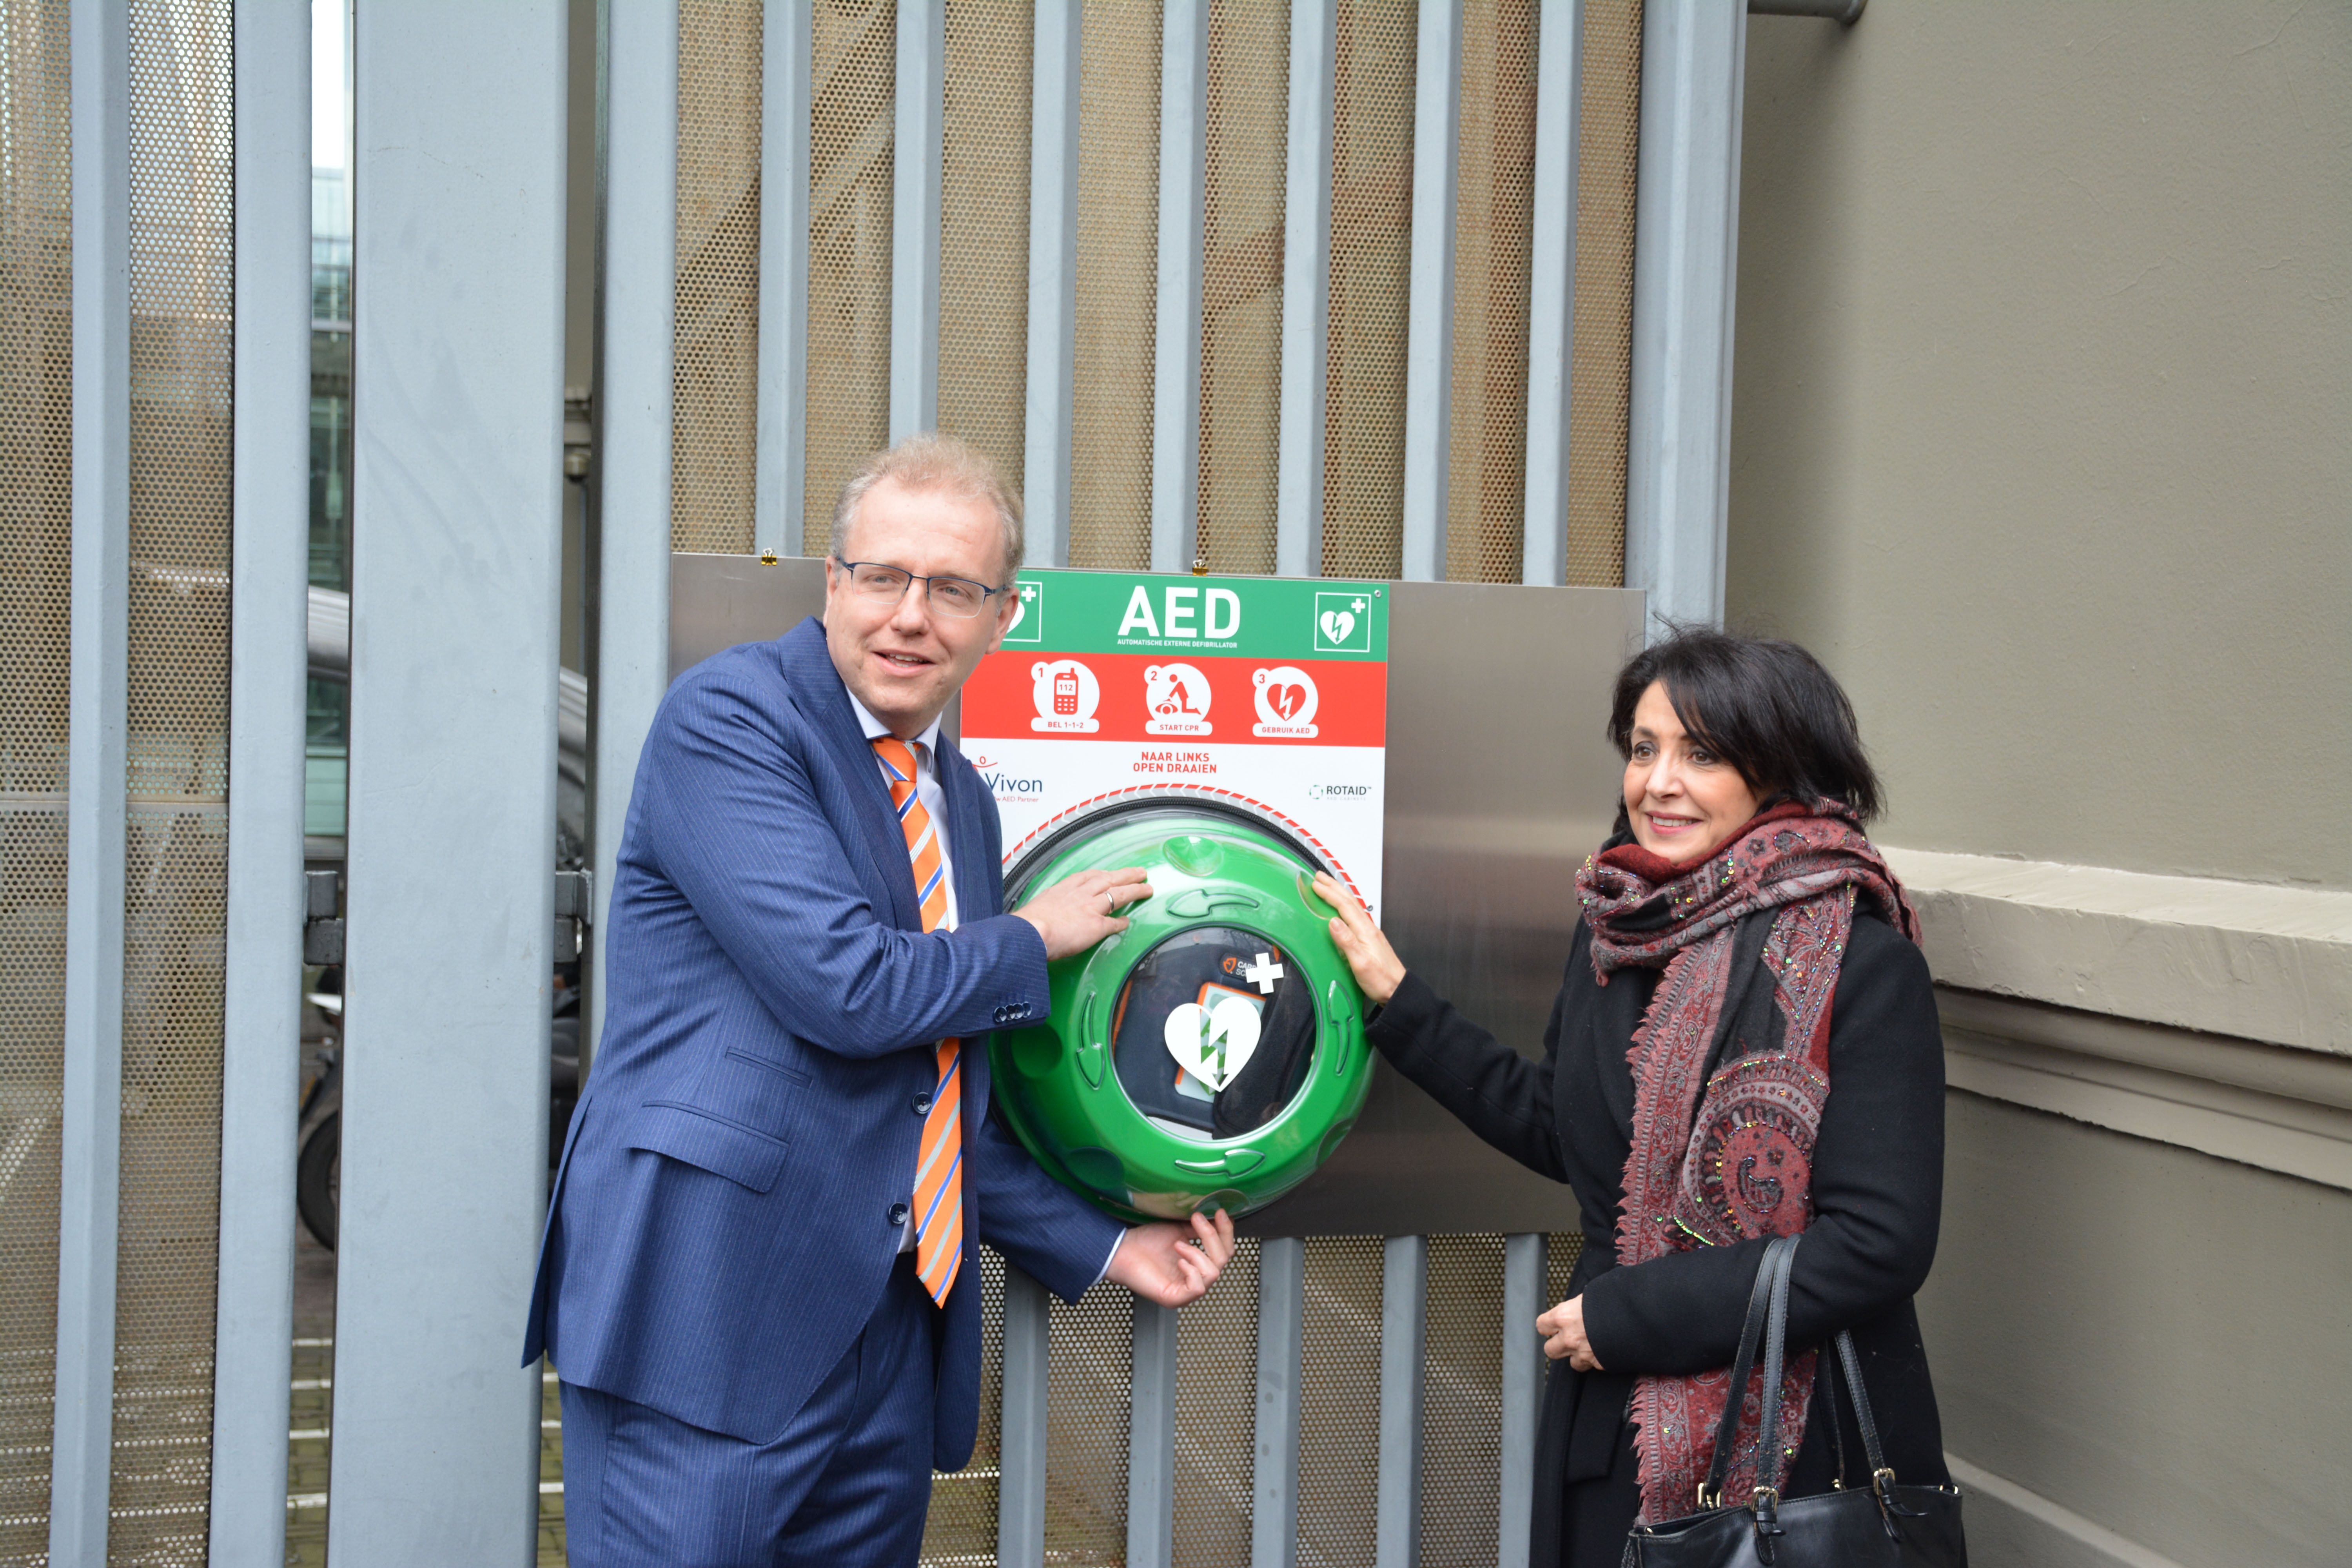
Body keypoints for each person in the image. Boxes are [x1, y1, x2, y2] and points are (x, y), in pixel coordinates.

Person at [523, 434, 1236, 1566]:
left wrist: (1106, 1248)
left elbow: (932, 1095)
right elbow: (846, 990)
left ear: (1004, 615)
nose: (911, 616)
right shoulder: (732, 722)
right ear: (832, 582)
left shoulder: (964, 801)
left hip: (891, 1340)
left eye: (953, 588)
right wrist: (1030, 941)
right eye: (883, 577)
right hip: (707, 1323)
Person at [1314, 628, 1952, 1567]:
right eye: (1644, 747)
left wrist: (1629, 1314)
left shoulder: (1861, 964)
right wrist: (1404, 1007)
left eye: (1703, 753)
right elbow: (1566, 1133)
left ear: (1783, 772)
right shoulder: (1620, 932)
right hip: (1611, 1430)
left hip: (1797, 1452)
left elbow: (1878, 1242)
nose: (1659, 781)